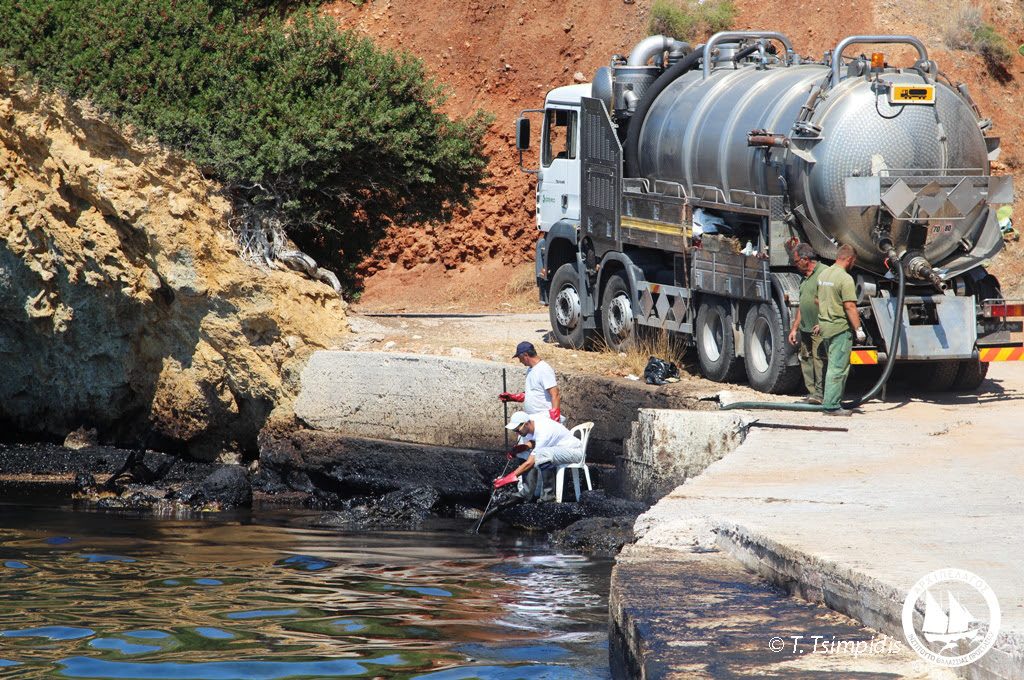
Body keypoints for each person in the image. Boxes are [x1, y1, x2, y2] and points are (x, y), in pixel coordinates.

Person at [814, 244, 867, 416]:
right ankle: (831, 406)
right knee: (838, 368)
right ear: (850, 259)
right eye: (854, 261)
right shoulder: (845, 278)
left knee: (832, 365)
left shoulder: (823, 274)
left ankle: (831, 400)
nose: (853, 264)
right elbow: (850, 306)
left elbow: (817, 299)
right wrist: (858, 329)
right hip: (839, 328)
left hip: (826, 326)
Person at [493, 411, 583, 496]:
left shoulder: (544, 432)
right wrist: (522, 448)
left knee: (542, 454)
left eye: (518, 430)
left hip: (574, 452)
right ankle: (526, 493)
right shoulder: (532, 420)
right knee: (525, 453)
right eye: (515, 431)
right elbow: (536, 442)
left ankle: (548, 495)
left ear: (526, 424)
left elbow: (530, 462)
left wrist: (508, 478)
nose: (517, 433)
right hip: (557, 450)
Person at [787, 243, 826, 404]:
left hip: (819, 328)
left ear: (805, 259)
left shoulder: (824, 274)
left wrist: (823, 322)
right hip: (805, 328)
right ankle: (812, 393)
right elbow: (802, 305)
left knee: (819, 360)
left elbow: (830, 301)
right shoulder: (804, 278)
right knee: (806, 358)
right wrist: (794, 329)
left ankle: (820, 394)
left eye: (796, 261)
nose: (795, 265)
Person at [498, 341, 561, 422]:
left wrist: (555, 421)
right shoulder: (530, 369)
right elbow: (532, 392)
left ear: (525, 355)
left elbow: (555, 395)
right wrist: (513, 397)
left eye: (519, 358)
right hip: (532, 419)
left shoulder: (544, 369)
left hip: (545, 419)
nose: (520, 361)